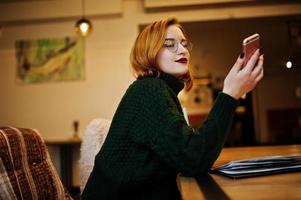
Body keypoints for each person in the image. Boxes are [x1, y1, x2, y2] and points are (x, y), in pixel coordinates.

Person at [82, 17, 264, 200]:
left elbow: (185, 152)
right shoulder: (149, 90)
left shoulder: (158, 90)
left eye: (184, 44)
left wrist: (231, 94)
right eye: (170, 44)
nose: (183, 50)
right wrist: (230, 93)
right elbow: (194, 158)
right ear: (149, 52)